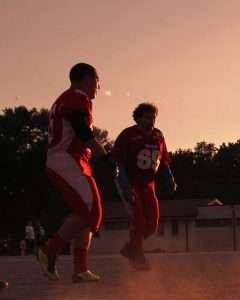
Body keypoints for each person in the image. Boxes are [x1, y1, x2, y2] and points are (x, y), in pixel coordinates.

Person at [37, 63, 114, 283]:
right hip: (66, 158)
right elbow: (82, 131)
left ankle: (80, 268)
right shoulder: (77, 97)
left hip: (73, 159)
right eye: (97, 80)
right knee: (91, 208)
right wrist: (105, 157)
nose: (99, 86)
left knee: (88, 213)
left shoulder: (66, 99)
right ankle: (49, 250)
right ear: (87, 78)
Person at [112, 103, 176, 271]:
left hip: (148, 184)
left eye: (153, 117)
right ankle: (138, 258)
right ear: (138, 118)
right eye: (147, 117)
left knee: (152, 224)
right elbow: (118, 162)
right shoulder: (128, 134)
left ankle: (131, 248)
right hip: (131, 183)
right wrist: (125, 185)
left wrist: (169, 178)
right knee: (139, 221)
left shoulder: (158, 135)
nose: (151, 120)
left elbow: (163, 160)